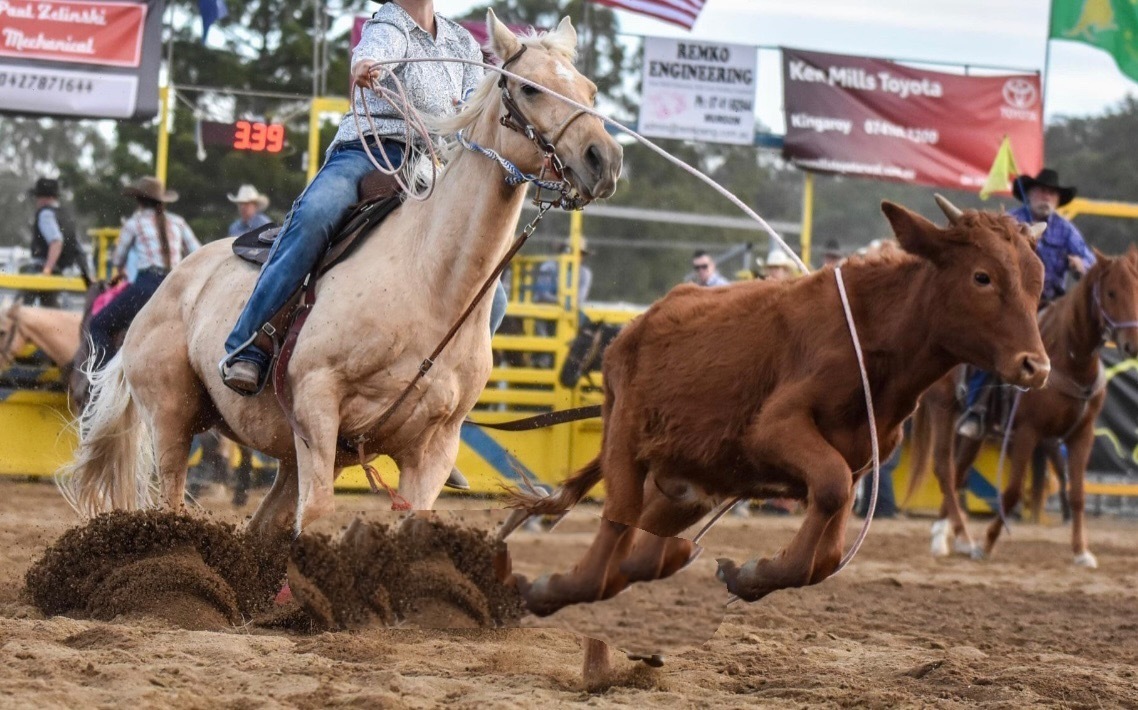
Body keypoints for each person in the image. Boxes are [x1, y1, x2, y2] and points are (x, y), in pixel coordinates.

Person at [219, 0, 490, 395]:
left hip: (433, 164)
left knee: (487, 283)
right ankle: (248, 345)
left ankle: (457, 376)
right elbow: (372, 53)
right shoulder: (389, 25)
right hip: (369, 150)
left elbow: (475, 101)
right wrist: (366, 66)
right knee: (315, 214)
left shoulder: (461, 42)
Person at [957, 168, 1095, 439]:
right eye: (1041, 191)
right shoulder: (1011, 221)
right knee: (997, 344)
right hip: (1011, 304)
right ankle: (977, 407)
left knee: (1078, 346)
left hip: (1051, 305)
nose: (1046, 196)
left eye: (1051, 193)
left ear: (1057, 199)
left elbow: (1089, 261)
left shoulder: (1066, 230)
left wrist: (1083, 266)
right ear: (1029, 194)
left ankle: (1068, 417)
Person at [87, 177, 200, 370]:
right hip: (177, 288)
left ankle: (104, 379)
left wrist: (119, 271)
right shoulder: (178, 223)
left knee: (98, 325)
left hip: (147, 287)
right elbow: (197, 251)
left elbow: (118, 259)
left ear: (139, 201)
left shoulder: (134, 224)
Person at [24, 177, 87, 306]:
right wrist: (85, 273)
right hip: (60, 271)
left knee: (19, 307)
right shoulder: (66, 216)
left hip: (42, 268)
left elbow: (56, 242)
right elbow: (77, 247)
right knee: (50, 309)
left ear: (43, 197)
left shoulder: (45, 214)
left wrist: (46, 270)